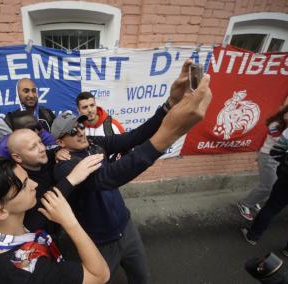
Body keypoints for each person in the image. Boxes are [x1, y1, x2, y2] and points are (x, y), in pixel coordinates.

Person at [52, 59, 212, 284]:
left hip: (126, 228)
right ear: (61, 142)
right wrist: (167, 135)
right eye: (71, 131)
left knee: (142, 278)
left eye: (79, 124)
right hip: (99, 241)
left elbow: (134, 137)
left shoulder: (94, 142)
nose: (80, 131)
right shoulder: (65, 166)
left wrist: (170, 104)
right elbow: (107, 178)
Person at [0, 157, 110, 284]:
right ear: (0, 212)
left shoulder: (8, 223)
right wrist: (70, 222)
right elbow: (100, 275)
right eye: (25, 185)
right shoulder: (26, 271)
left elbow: (41, 207)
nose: (34, 185)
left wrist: (72, 178)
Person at [6, 128, 104, 234]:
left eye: (40, 142)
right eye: (33, 147)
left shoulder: (48, 155)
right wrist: (71, 179)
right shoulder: (16, 183)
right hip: (51, 237)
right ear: (17, 157)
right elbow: (31, 220)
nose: (42, 148)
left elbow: (56, 149)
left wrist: (60, 150)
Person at [241, 127, 288, 257]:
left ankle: (253, 235)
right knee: (269, 197)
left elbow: (277, 151)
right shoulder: (276, 124)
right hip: (279, 171)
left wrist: (283, 168)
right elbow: (275, 149)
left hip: (285, 178)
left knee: (271, 206)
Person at [237, 105, 288, 220]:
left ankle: (254, 200)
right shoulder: (275, 124)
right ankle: (244, 204)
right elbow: (280, 141)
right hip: (267, 157)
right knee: (268, 186)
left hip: (278, 159)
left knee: (269, 185)